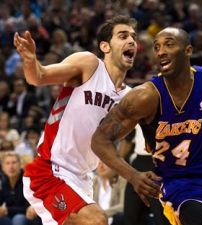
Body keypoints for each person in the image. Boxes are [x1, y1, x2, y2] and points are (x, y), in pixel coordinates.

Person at [91, 27, 202, 225]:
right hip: (181, 183)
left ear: (188, 51)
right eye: (157, 47)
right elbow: (100, 139)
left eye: (169, 44)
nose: (160, 51)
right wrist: (133, 176)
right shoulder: (145, 97)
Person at [13, 14, 138, 225]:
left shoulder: (129, 97)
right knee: (98, 220)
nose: (131, 41)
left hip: (83, 178)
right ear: (105, 47)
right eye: (123, 36)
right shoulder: (89, 65)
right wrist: (30, 60)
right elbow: (39, 76)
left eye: (133, 37)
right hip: (50, 171)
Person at [119, 124, 171, 225]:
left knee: (161, 216)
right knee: (131, 213)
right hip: (138, 162)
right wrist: (115, 167)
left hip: (161, 161)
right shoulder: (137, 113)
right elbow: (128, 139)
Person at [92, 160, 127, 225]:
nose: (101, 166)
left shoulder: (122, 181)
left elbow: (123, 206)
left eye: (104, 162)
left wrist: (102, 214)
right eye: (98, 163)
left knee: (120, 216)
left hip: (114, 219)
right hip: (96, 221)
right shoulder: (92, 182)